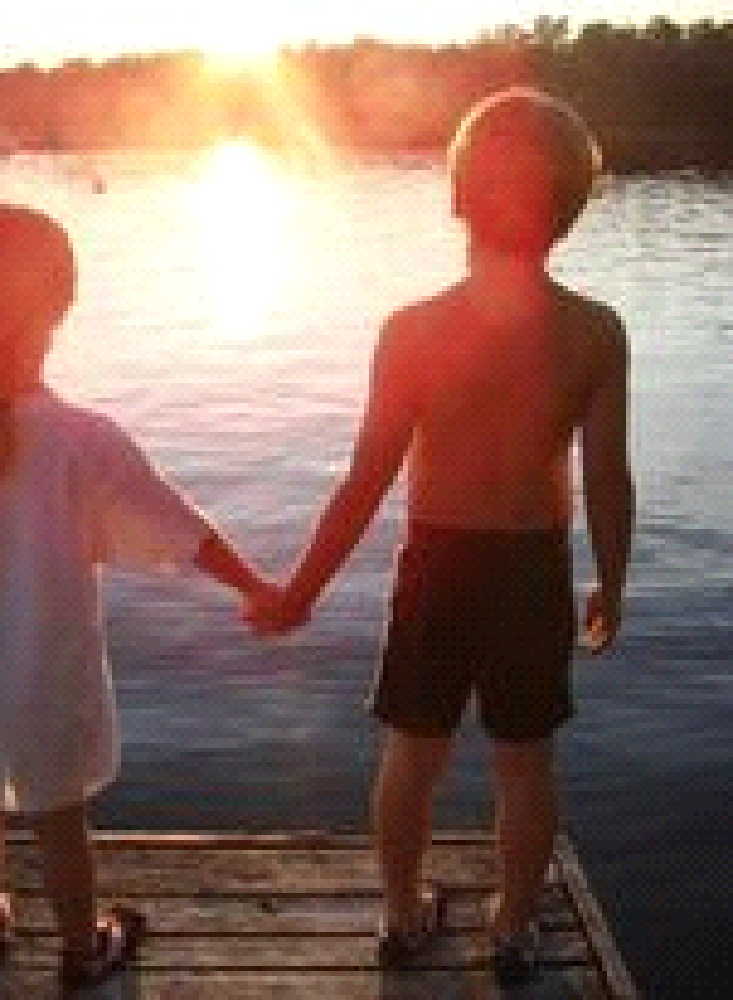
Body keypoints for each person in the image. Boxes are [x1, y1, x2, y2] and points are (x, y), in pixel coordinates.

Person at [247, 88, 634, 984]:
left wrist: (300, 591)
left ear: (459, 194)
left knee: (412, 754)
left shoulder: (412, 331)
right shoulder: (594, 332)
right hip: (532, 568)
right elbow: (609, 478)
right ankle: (512, 930)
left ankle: (400, 913)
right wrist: (612, 583)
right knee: (525, 765)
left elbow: (363, 483)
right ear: (571, 207)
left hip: (438, 564)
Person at [0, 203, 273, 987]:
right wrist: (258, 588)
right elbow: (180, 529)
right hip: (50, 676)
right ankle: (84, 949)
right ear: (62, 305)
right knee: (59, 817)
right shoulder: (86, 440)